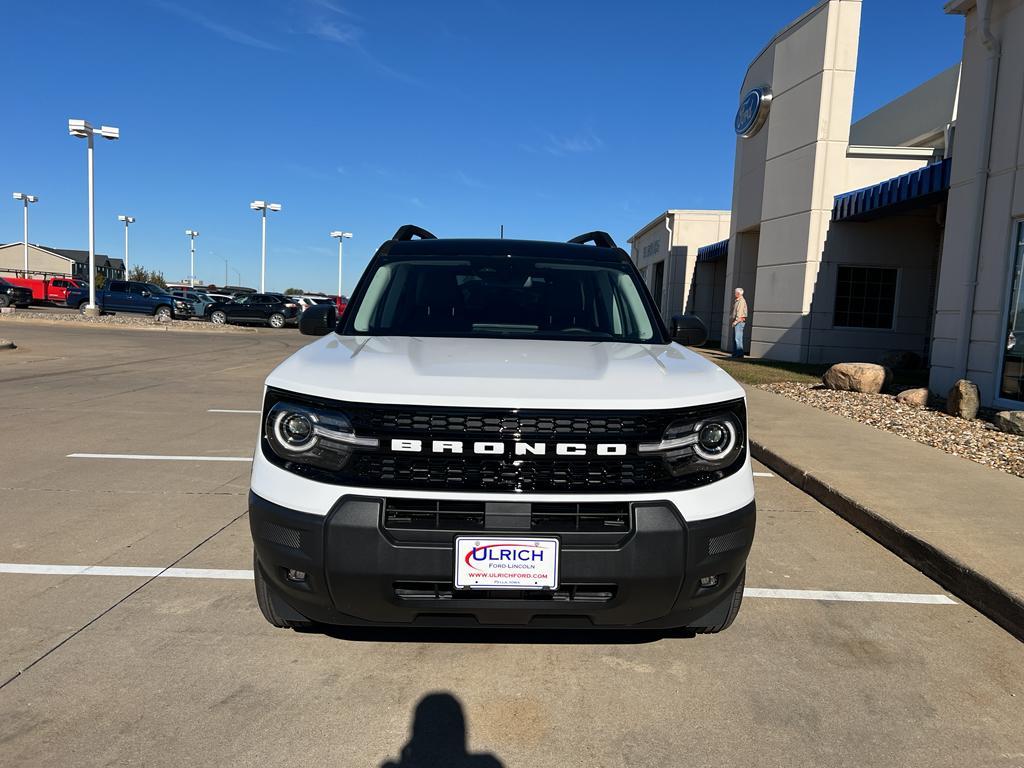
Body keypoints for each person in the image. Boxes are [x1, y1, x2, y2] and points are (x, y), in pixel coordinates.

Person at [731, 287, 748, 358]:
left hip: (739, 322)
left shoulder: (741, 301)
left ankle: (739, 354)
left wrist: (735, 321)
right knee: (736, 338)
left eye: (735, 292)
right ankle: (735, 354)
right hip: (738, 321)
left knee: (737, 338)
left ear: (738, 293)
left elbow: (739, 312)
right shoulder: (738, 300)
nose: (734, 293)